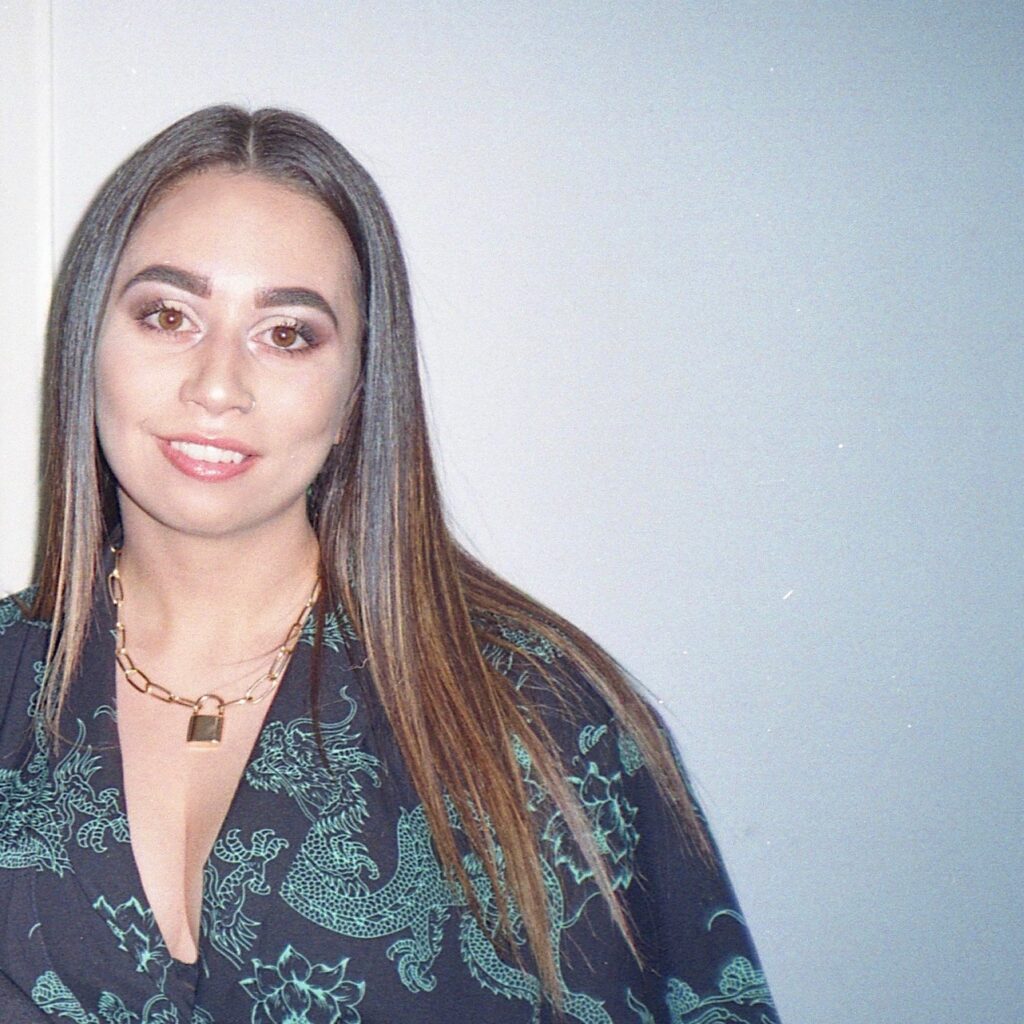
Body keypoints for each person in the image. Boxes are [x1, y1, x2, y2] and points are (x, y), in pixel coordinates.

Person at [0, 106, 780, 1023]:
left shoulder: (539, 719)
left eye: (288, 333)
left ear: (361, 383)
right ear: (87, 340)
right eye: (168, 315)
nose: (217, 385)